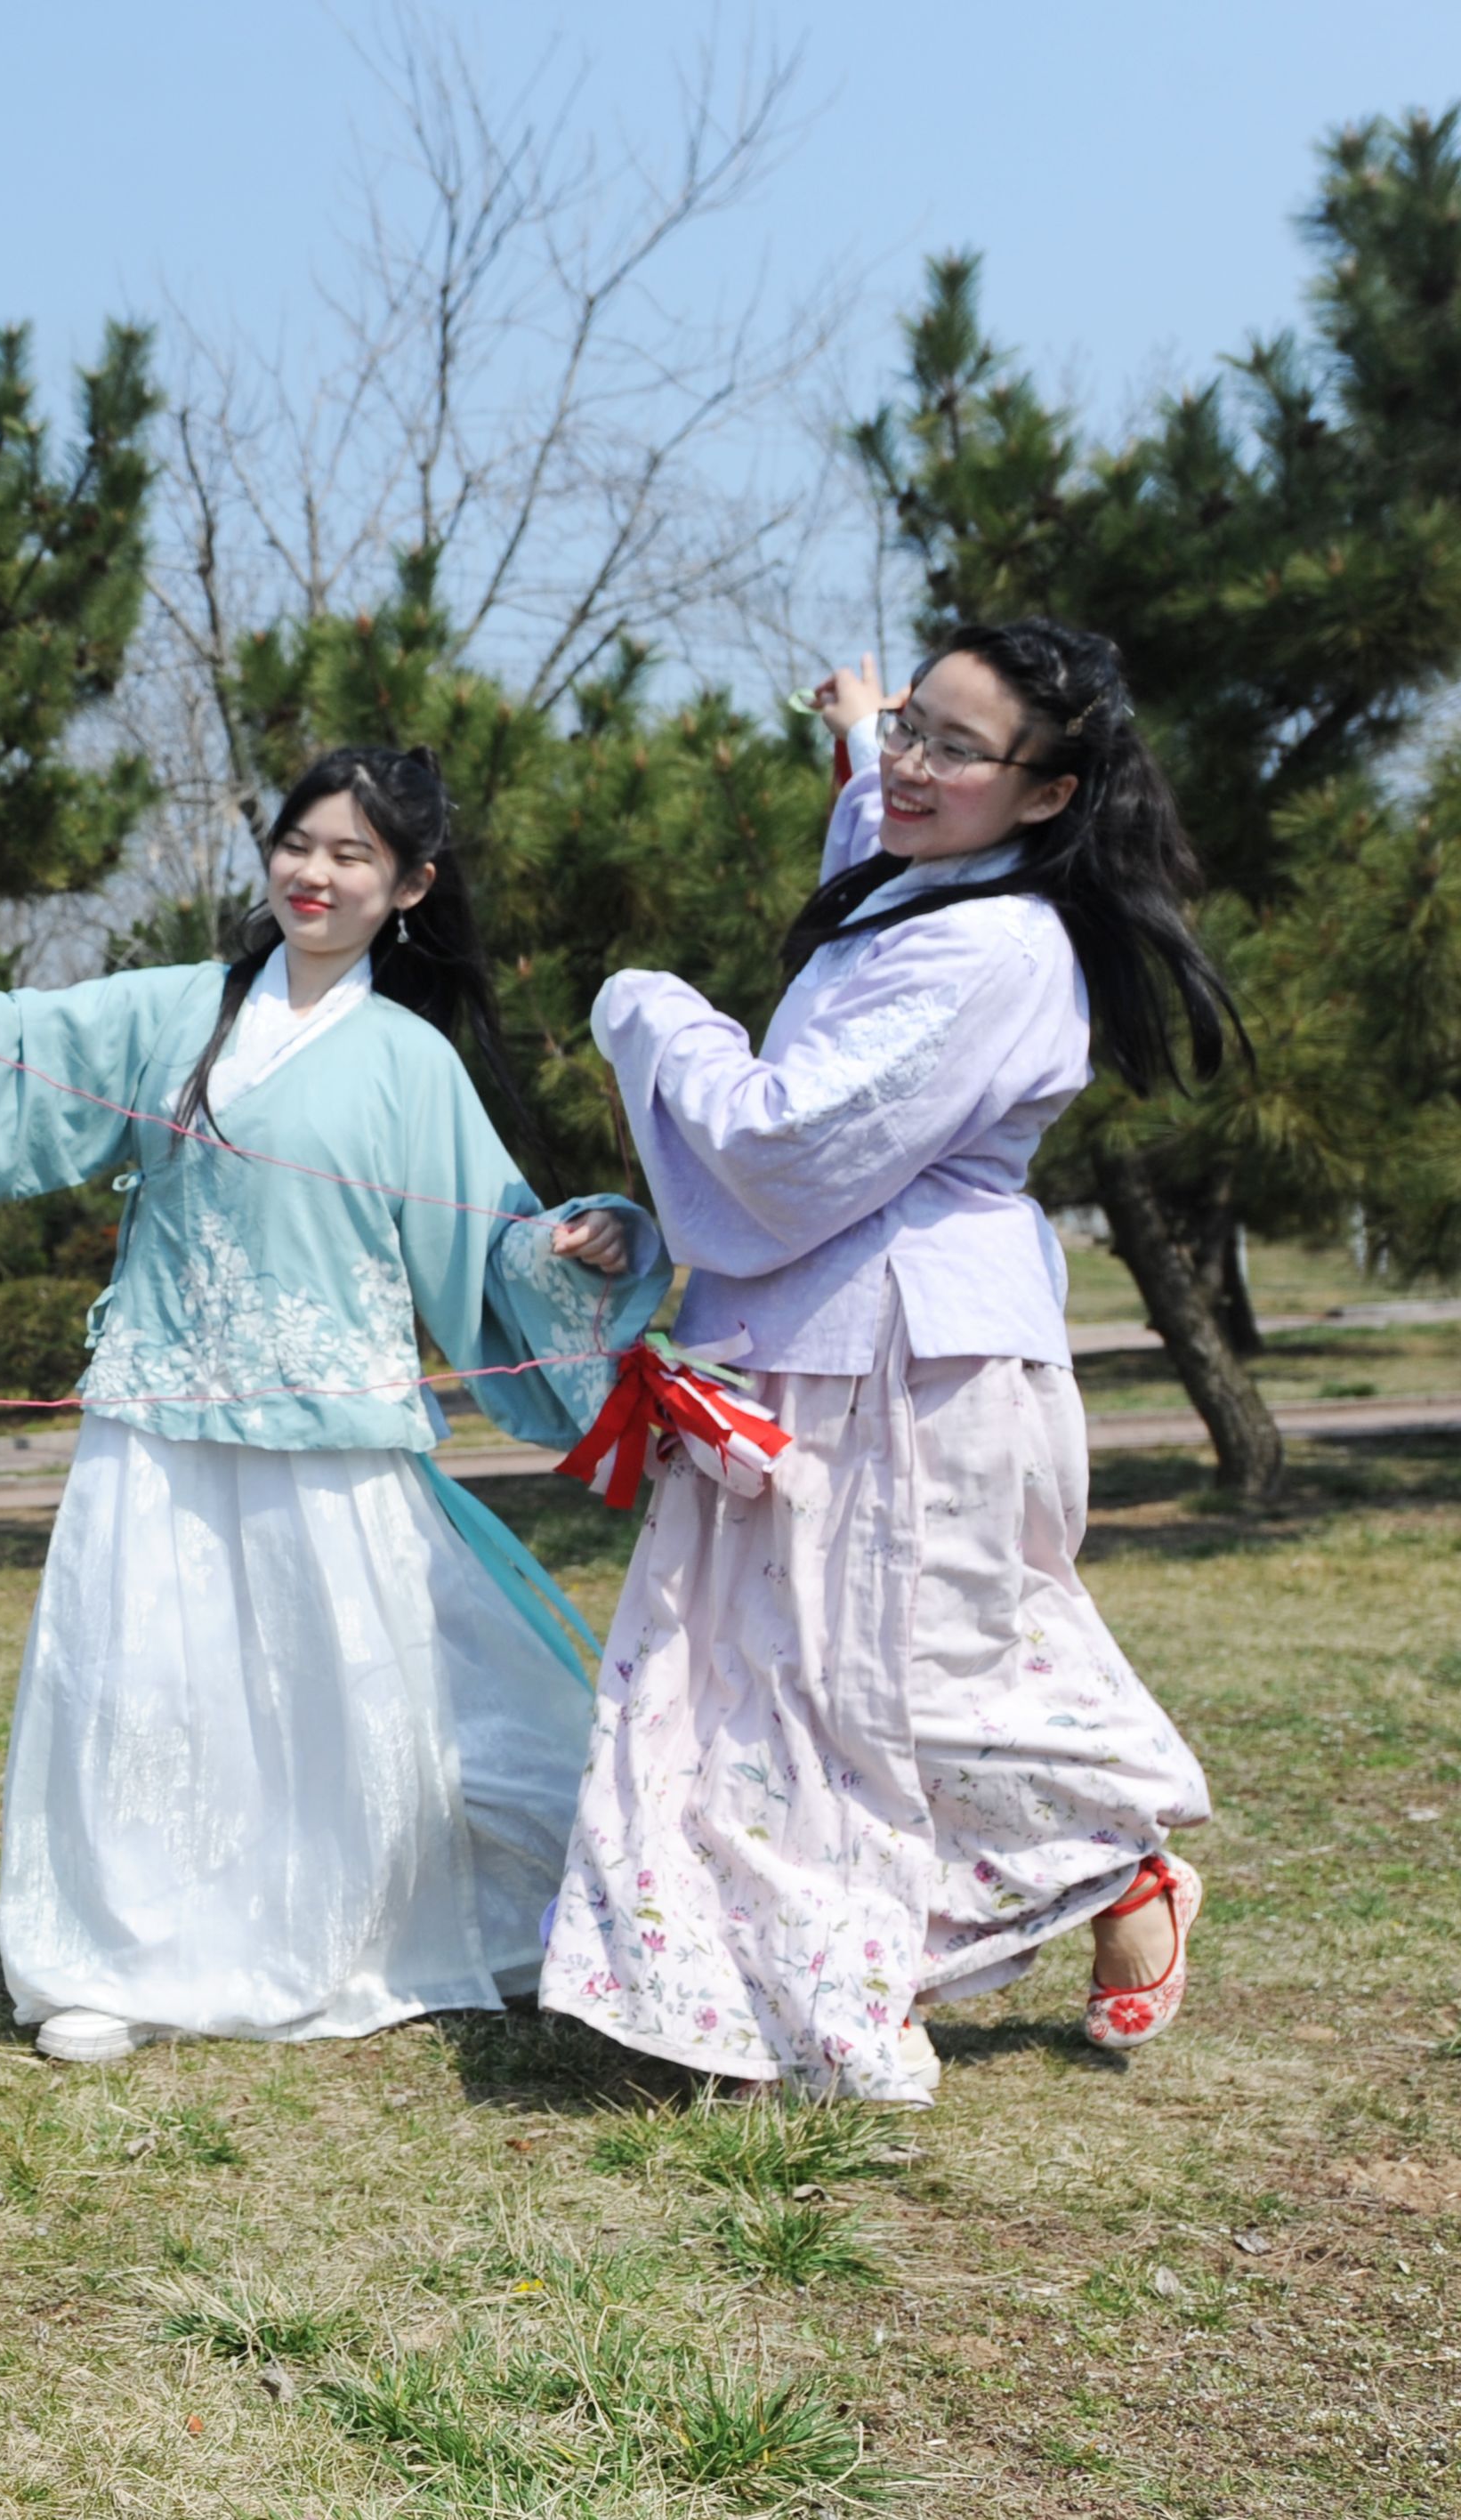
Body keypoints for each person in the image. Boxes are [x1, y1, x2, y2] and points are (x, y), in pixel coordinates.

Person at [0, 747, 667, 2061]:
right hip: (155, 1419)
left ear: (410, 887)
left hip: (335, 1436)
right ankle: (116, 1960)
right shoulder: (175, 1011)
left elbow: (494, 1241)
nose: (314, 872)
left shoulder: (411, 1062)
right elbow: (5, 1053)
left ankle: (364, 1929)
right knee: (142, 1684)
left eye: (353, 855)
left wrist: (580, 1245)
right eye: (299, 842)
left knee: (348, 1696)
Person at [542, 621, 1226, 2106]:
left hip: (917, 1366)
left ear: (1046, 794)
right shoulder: (925, 875)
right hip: (801, 1343)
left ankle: (1117, 1863)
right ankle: (793, 1995)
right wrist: (863, 724)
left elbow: (781, 1142)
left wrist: (650, 1008)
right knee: (758, 1686)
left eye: (954, 748)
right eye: (915, 726)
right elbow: (881, 806)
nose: (912, 768)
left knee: (931, 1669)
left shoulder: (993, 947)